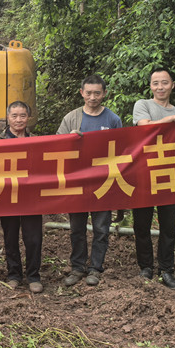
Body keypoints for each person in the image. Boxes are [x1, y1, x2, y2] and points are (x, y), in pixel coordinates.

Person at [57, 75, 123, 288]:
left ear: (104, 94)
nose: (92, 97)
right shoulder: (71, 118)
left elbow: (122, 150)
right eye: (88, 93)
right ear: (81, 93)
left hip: (103, 182)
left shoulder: (113, 120)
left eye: (97, 93)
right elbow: (56, 147)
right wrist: (69, 140)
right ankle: (77, 267)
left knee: (101, 228)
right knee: (76, 228)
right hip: (78, 182)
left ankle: (96, 268)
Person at [132, 67, 175, 290]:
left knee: (169, 226)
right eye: (156, 83)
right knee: (141, 224)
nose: (160, 87)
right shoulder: (143, 105)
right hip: (143, 174)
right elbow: (144, 127)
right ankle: (145, 267)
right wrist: (171, 120)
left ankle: (166, 269)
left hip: (169, 176)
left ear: (172, 85)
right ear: (150, 86)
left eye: (164, 82)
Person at [0, 101, 44, 294]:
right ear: (8, 118)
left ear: (29, 118)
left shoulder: (38, 142)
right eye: (14, 116)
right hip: (7, 196)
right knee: (10, 238)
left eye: (23, 116)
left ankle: (33, 276)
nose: (18, 120)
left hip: (31, 198)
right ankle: (14, 275)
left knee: (33, 238)